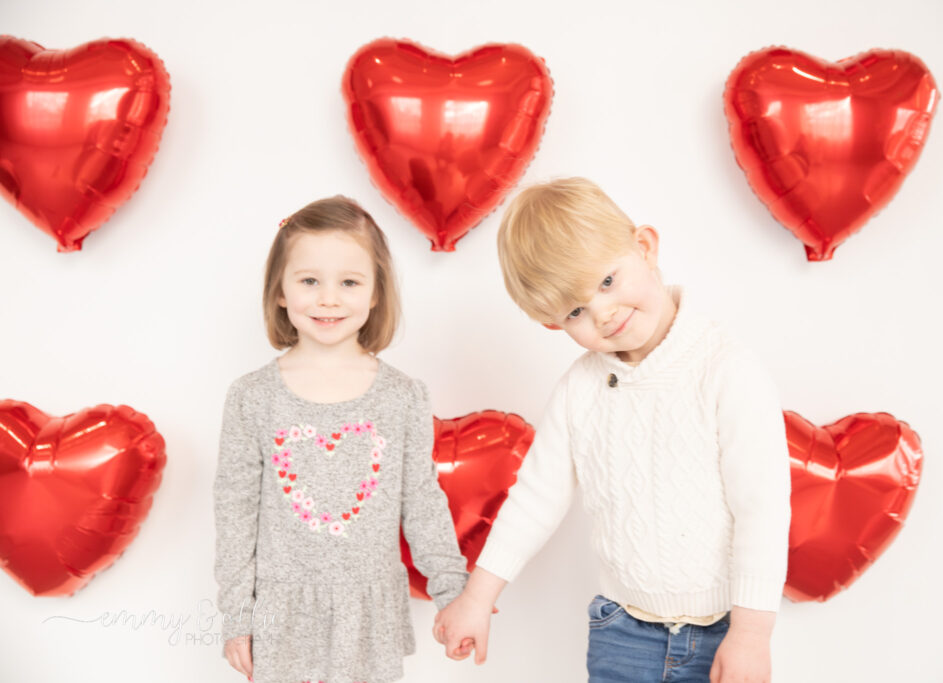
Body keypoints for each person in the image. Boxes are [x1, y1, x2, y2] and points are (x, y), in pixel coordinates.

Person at [433, 178, 791, 683]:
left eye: (607, 282)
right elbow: (535, 499)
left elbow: (763, 509)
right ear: (553, 325)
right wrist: (477, 597)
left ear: (644, 248)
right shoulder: (580, 390)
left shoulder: (727, 371)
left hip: (724, 631)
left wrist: (752, 636)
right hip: (622, 632)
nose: (603, 314)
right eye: (576, 311)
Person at [214, 196, 467, 683]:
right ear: (281, 291)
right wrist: (238, 617)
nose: (328, 299)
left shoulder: (403, 396)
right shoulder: (251, 397)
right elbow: (235, 514)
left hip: (366, 612)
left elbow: (422, 501)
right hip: (282, 612)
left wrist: (453, 591)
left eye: (349, 283)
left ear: (375, 293)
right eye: (309, 281)